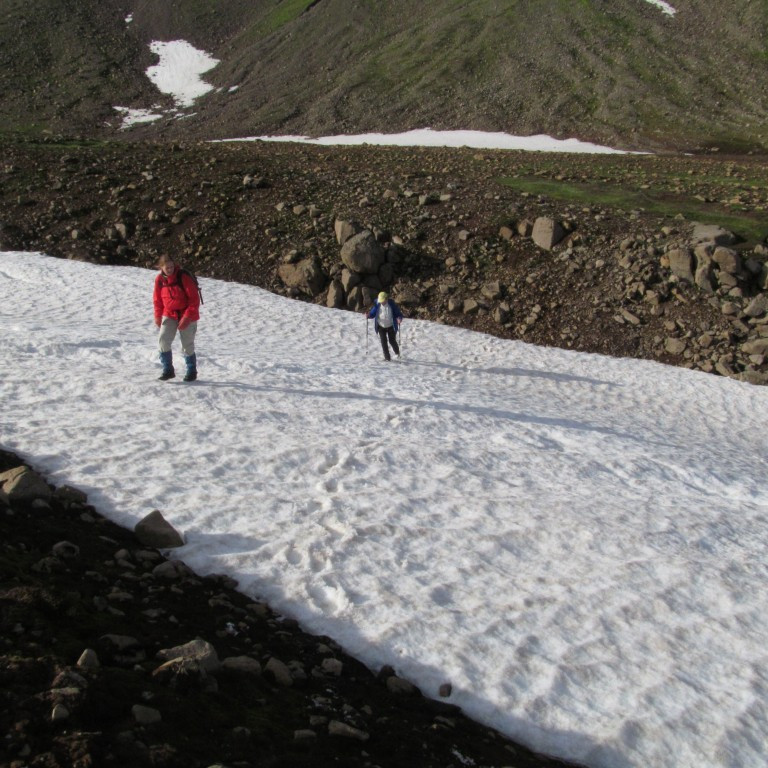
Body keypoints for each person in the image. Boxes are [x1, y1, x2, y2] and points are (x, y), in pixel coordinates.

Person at [153, 254, 200, 381]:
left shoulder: (183, 277)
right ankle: (168, 370)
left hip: (187, 314)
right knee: (163, 341)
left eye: (171, 267)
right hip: (169, 314)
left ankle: (191, 371)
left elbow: (194, 300)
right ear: (161, 268)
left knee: (187, 344)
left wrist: (187, 317)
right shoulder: (159, 280)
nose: (170, 269)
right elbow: (157, 300)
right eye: (167, 267)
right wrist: (158, 316)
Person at [366, 291, 403, 361]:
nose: (381, 302)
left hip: (391, 326)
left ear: (386, 299)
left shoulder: (392, 305)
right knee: (383, 342)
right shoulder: (377, 304)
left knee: (392, 341)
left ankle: (397, 353)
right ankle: (387, 358)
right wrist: (369, 315)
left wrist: (399, 319)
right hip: (381, 326)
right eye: (380, 301)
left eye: (382, 300)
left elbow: (398, 314)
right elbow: (372, 313)